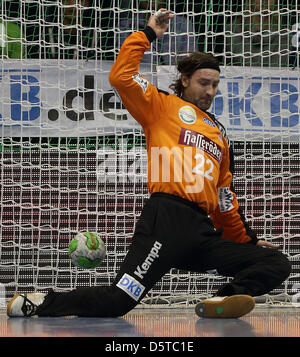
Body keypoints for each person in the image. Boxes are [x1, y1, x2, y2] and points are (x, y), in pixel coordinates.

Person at [7, 9, 291, 319]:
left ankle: (219, 302)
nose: (210, 91)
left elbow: (225, 201)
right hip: (164, 222)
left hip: (201, 233)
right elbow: (121, 76)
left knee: (274, 263)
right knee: (118, 301)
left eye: (215, 85)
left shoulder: (220, 135)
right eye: (203, 83)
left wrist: (246, 240)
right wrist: (148, 34)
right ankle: (42, 302)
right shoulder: (162, 106)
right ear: (184, 79)